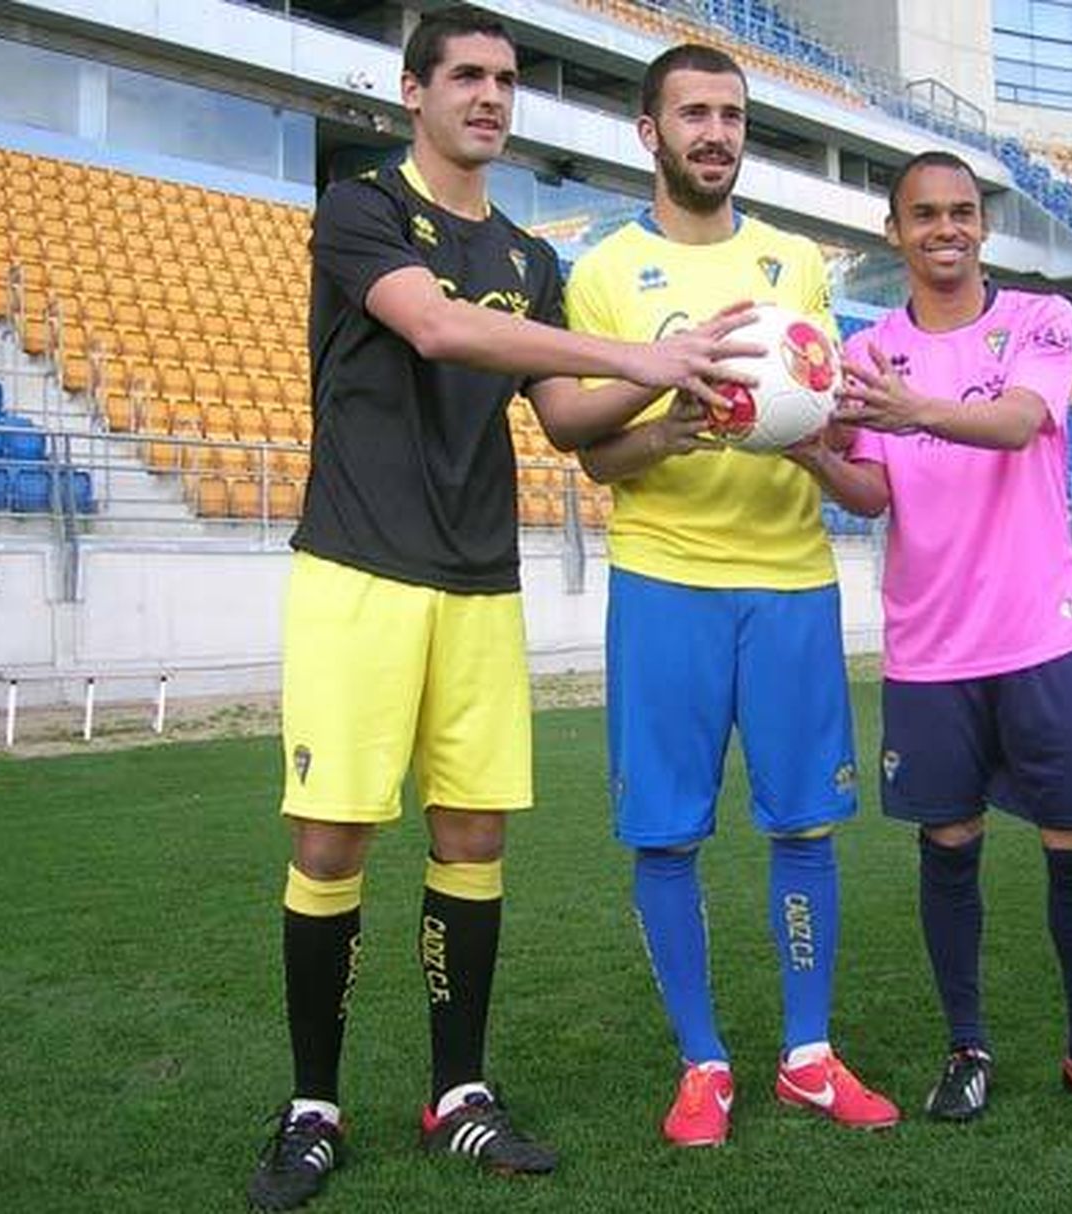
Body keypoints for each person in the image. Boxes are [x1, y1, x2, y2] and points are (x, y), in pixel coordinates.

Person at [247, 10, 763, 1210]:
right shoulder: (360, 207)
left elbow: (570, 421)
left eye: (505, 80)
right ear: (414, 90)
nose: (490, 96)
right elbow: (434, 325)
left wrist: (674, 409)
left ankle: (458, 1096)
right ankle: (313, 1103)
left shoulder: (530, 256)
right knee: (331, 842)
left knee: (473, 840)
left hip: (481, 580)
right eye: (467, 76)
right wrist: (638, 353)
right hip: (357, 570)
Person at [794, 151, 1072, 1122]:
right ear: (895, 231)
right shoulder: (870, 350)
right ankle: (965, 1046)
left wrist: (912, 409)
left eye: (961, 212)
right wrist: (807, 453)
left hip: (1039, 636)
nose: (946, 229)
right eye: (924, 215)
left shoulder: (1038, 320)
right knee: (948, 841)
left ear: (982, 224)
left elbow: (1015, 424)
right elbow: (874, 491)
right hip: (930, 649)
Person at [565, 43, 899, 1149]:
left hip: (791, 580)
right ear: (648, 132)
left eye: (732, 114)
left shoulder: (796, 262)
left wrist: (809, 428)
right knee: (665, 835)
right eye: (694, 113)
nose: (717, 132)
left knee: (805, 820)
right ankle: (702, 1060)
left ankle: (807, 1054)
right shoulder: (605, 271)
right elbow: (598, 458)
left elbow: (833, 422)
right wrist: (676, 420)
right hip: (665, 580)